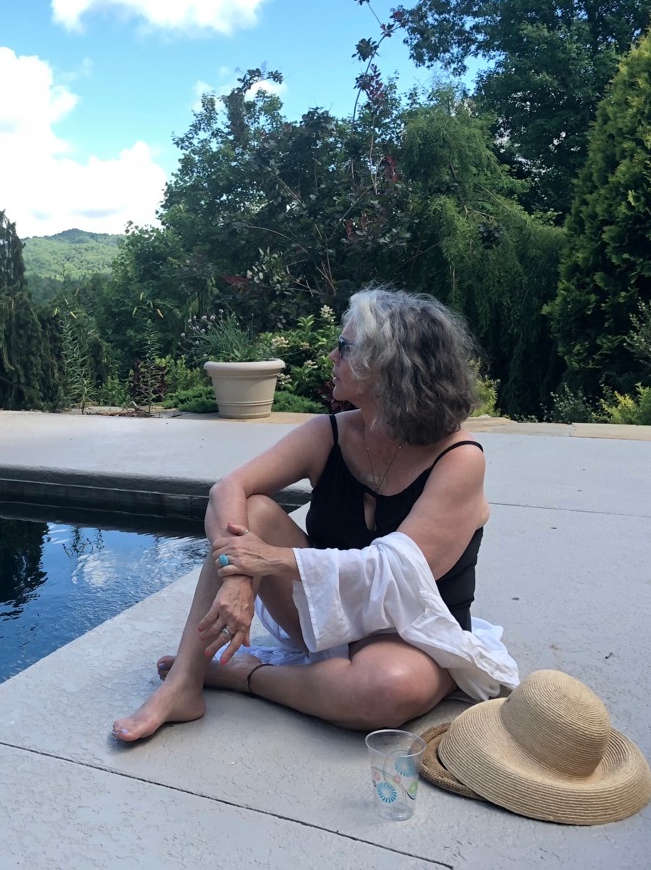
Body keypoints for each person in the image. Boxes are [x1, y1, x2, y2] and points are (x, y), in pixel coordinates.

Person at [113, 288, 510, 742]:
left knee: (385, 691)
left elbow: (400, 571)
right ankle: (185, 683)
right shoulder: (328, 433)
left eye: (344, 347)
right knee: (253, 512)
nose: (331, 355)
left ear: (384, 367)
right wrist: (239, 575)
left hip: (411, 628)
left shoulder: (459, 458)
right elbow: (229, 488)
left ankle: (245, 675)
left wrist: (269, 561)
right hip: (329, 615)